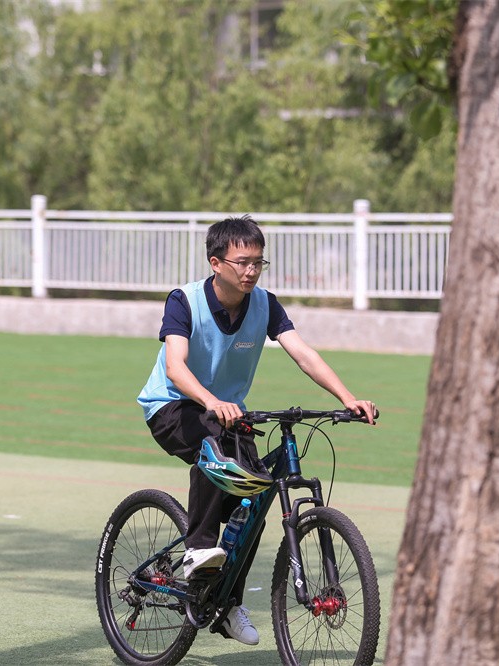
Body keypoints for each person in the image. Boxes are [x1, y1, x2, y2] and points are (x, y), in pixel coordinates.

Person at [137, 214, 376, 646]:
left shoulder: (265, 304)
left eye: (258, 263)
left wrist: (347, 397)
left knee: (253, 500)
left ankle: (227, 605)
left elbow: (302, 353)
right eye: (242, 262)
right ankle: (198, 547)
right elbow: (175, 366)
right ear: (216, 263)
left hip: (229, 415)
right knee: (215, 446)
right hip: (172, 406)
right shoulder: (184, 301)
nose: (251, 271)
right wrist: (211, 400)